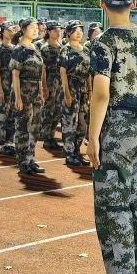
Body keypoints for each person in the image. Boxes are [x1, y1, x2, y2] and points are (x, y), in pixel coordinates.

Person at [87, 0, 137, 274]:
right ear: (132, 4)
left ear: (102, 5)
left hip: (114, 129)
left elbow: (101, 94)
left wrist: (93, 137)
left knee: (112, 208)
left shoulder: (103, 43)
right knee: (136, 204)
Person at [10, 17, 46, 176]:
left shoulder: (36, 48)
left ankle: (31, 159)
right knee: (23, 128)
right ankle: (23, 162)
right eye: (32, 28)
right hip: (24, 92)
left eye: (37, 28)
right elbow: (15, 75)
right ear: (23, 30)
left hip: (36, 93)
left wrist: (41, 92)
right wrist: (18, 97)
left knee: (35, 128)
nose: (35, 30)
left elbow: (39, 73)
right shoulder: (19, 50)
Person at [59, 20, 92, 167]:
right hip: (71, 86)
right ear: (68, 32)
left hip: (83, 88)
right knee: (70, 122)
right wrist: (67, 93)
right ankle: (69, 153)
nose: (79, 33)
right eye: (75, 30)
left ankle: (77, 151)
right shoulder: (65, 49)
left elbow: (89, 72)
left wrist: (90, 89)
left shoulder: (85, 49)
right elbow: (63, 72)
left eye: (80, 30)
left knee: (82, 123)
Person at [0, 21, 16, 156]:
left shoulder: (15, 49)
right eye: (9, 29)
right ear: (3, 32)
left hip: (13, 87)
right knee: (1, 115)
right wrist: (0, 89)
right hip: (2, 86)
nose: (12, 31)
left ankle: (10, 142)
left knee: (12, 115)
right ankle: (1, 143)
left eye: (13, 29)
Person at [40, 20, 63, 150]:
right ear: (48, 31)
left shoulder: (62, 47)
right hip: (50, 82)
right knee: (48, 110)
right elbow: (43, 69)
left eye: (59, 31)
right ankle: (47, 138)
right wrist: (44, 86)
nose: (58, 33)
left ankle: (51, 135)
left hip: (61, 82)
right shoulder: (45, 49)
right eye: (55, 31)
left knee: (58, 110)